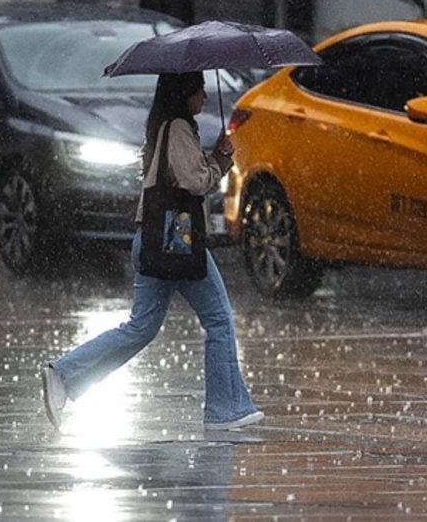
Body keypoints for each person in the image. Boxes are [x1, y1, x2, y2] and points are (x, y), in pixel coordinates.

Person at [42, 71, 263, 432]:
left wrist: (215, 159)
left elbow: (183, 175)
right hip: (176, 237)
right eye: (200, 89)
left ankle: (63, 375)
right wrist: (220, 161)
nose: (205, 96)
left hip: (151, 237)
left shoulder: (164, 126)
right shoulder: (178, 127)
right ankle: (225, 410)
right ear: (185, 93)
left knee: (141, 327)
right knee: (219, 319)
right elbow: (194, 181)